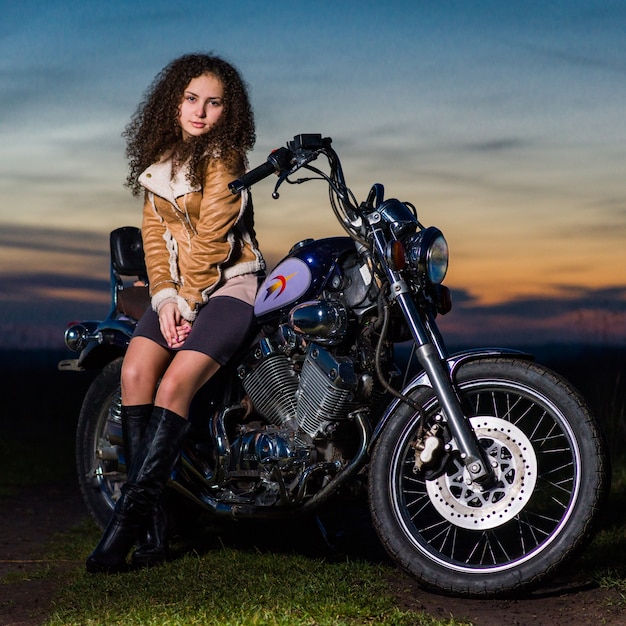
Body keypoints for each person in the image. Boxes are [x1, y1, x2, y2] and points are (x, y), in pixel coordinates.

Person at [86, 53, 265, 573]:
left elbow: (213, 241)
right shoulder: (159, 164)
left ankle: (123, 530)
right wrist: (165, 300)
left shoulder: (225, 158)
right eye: (191, 99)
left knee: (173, 386)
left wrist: (187, 301)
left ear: (227, 113)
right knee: (136, 371)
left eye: (213, 103)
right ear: (174, 102)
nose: (200, 112)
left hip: (231, 286)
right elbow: (153, 244)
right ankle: (156, 536)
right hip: (176, 297)